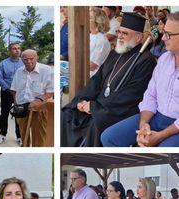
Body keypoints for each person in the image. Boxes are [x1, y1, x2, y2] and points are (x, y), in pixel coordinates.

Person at [62, 12, 156, 147]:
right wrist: (83, 100)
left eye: (125, 33)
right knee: (67, 113)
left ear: (138, 37)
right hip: (100, 104)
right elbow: (96, 80)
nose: (120, 36)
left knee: (97, 122)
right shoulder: (115, 53)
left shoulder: (146, 61)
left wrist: (95, 107)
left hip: (121, 109)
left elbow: (132, 94)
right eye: (119, 32)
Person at [101, 12, 179, 147]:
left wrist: (160, 136)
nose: (163, 38)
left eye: (169, 34)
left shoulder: (146, 60)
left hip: (175, 125)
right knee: (108, 137)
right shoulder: (165, 59)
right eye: (164, 32)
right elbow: (151, 94)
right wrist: (144, 125)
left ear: (138, 37)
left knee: (164, 151)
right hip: (155, 116)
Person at [10, 49, 54, 147]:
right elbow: (14, 90)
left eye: (31, 59)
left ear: (37, 58)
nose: (29, 62)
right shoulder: (19, 71)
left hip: (39, 109)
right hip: (22, 108)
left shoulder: (47, 71)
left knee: (39, 139)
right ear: (21, 60)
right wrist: (16, 104)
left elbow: (51, 91)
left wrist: (39, 100)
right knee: (24, 137)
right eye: (25, 59)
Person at [0, 42, 23, 146]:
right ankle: (2, 134)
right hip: (7, 92)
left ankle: (20, 136)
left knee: (19, 114)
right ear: (9, 50)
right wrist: (9, 88)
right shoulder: (3, 64)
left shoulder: (24, 63)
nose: (17, 50)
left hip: (20, 93)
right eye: (14, 48)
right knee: (4, 114)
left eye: (19, 48)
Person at [89, 7, 111, 77]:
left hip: (91, 77)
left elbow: (92, 66)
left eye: (89, 17)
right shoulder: (90, 35)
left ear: (98, 21)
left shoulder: (102, 41)